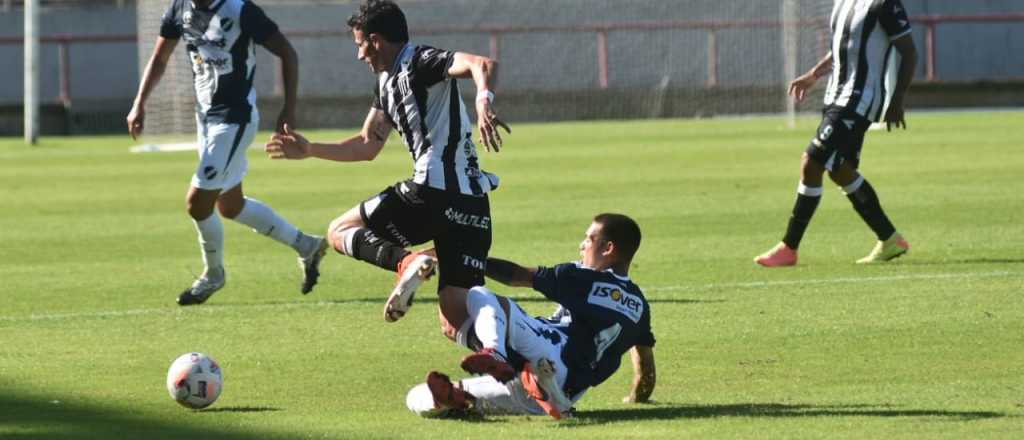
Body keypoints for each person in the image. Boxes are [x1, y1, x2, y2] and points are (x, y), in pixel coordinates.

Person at [264, 0, 510, 329]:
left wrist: (483, 102)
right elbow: (367, 145)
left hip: (430, 192)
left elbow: (482, 64)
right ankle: (524, 349)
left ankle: (408, 262)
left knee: (339, 230)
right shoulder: (384, 84)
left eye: (360, 45)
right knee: (456, 321)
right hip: (472, 206)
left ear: (376, 40)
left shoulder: (421, 60)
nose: (359, 55)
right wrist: (309, 149)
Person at [128, 0, 328, 305]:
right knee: (230, 206)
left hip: (234, 119)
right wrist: (139, 102)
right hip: (205, 118)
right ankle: (306, 245)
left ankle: (214, 274)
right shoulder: (179, 8)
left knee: (197, 203)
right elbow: (160, 57)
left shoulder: (241, 10)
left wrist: (288, 109)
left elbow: (288, 53)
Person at [405, 213, 657, 419]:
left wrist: (460, 259)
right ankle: (460, 400)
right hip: (559, 392)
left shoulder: (584, 278)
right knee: (420, 395)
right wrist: (637, 397)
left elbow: (516, 275)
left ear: (608, 248)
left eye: (589, 239)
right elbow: (646, 369)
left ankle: (494, 353)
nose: (582, 245)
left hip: (551, 352)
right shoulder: (640, 308)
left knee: (481, 295)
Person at [755, 0, 918, 267]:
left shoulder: (884, 4)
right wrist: (813, 74)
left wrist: (897, 100)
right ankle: (890, 239)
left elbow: (909, 52)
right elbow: (842, 46)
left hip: (859, 100)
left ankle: (789, 247)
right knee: (840, 169)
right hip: (835, 96)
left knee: (812, 161)